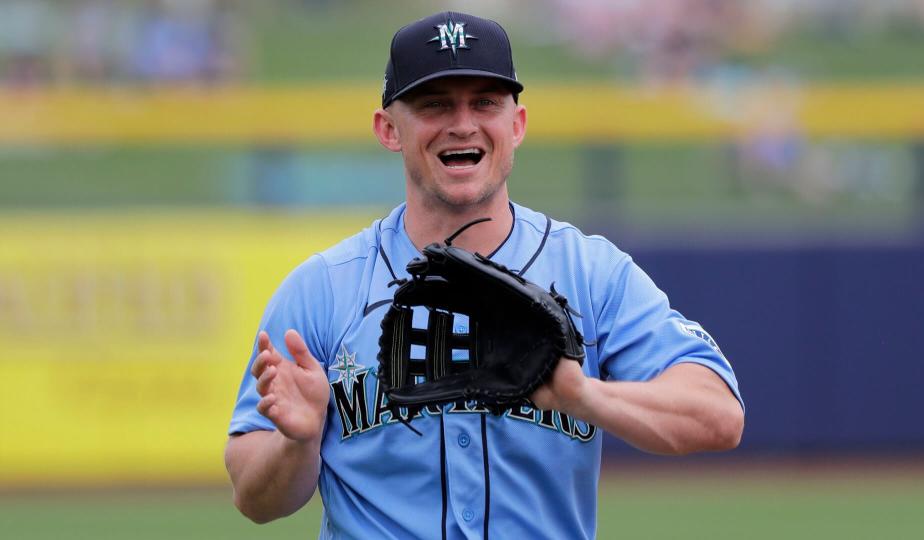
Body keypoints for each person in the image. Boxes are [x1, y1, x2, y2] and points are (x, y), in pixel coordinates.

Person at [225, 11, 744, 539]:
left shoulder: (591, 273)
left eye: (485, 103)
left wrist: (583, 397)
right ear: (388, 129)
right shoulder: (322, 290)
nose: (463, 123)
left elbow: (718, 416)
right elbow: (253, 495)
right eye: (435, 104)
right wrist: (298, 443)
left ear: (516, 125)